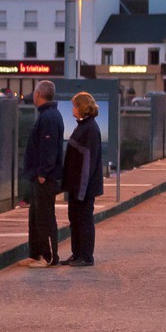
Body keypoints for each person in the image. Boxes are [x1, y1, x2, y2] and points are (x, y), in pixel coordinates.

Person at [22, 79, 64, 266]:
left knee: (44, 216)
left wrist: (43, 172)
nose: (33, 95)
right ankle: (36, 253)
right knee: (35, 215)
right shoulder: (48, 115)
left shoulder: (49, 117)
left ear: (39, 94)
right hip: (38, 176)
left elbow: (49, 148)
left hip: (44, 178)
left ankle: (49, 257)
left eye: (34, 92)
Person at [62, 91, 104, 267]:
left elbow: (87, 163)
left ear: (81, 108)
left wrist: (81, 190)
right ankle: (77, 253)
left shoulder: (89, 129)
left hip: (83, 188)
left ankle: (86, 256)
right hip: (77, 186)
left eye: (74, 105)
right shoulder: (83, 126)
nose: (72, 109)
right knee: (75, 219)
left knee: (84, 220)